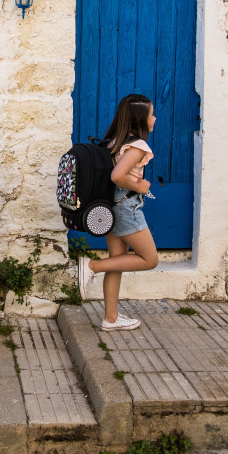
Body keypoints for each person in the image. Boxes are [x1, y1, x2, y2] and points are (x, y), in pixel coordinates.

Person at [77, 92, 159, 331]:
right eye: (152, 115)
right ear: (140, 119)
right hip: (126, 208)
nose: (154, 119)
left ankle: (110, 318)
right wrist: (140, 185)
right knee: (150, 259)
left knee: (117, 262)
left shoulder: (114, 141)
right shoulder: (137, 146)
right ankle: (91, 266)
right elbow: (117, 176)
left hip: (111, 206)